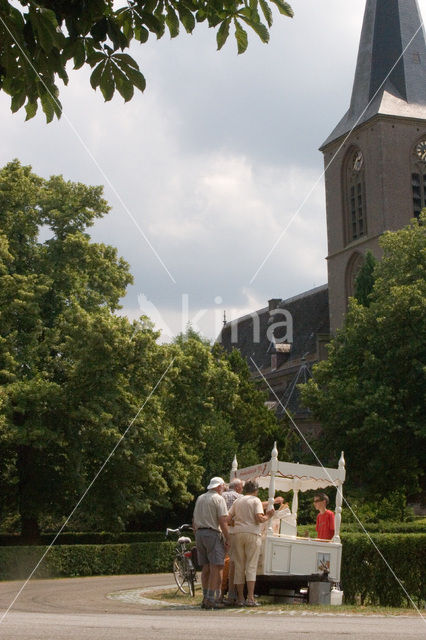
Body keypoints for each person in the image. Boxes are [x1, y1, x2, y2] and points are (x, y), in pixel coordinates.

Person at [227, 479, 275, 607]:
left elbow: (228, 518)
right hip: (252, 533)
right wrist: (269, 516)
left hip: (238, 534)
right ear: (256, 490)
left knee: (239, 566)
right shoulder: (256, 500)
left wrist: (236, 524)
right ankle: (250, 597)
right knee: (251, 566)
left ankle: (240, 598)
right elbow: (259, 518)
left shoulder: (238, 501)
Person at [193, 476, 230, 609]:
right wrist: (228, 538)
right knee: (216, 566)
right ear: (219, 486)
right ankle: (211, 599)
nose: (223, 489)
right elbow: (222, 521)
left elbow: (194, 518)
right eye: (223, 486)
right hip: (212, 533)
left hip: (199, 533)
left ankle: (205, 597)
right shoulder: (218, 499)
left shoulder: (200, 498)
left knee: (206, 567)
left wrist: (196, 533)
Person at [221, 478, 244, 603]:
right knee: (232, 563)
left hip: (219, 531)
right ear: (237, 488)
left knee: (219, 563)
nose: (242, 489)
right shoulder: (239, 497)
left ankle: (218, 593)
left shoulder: (220, 496)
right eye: (241, 487)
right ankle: (231, 593)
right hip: (233, 532)